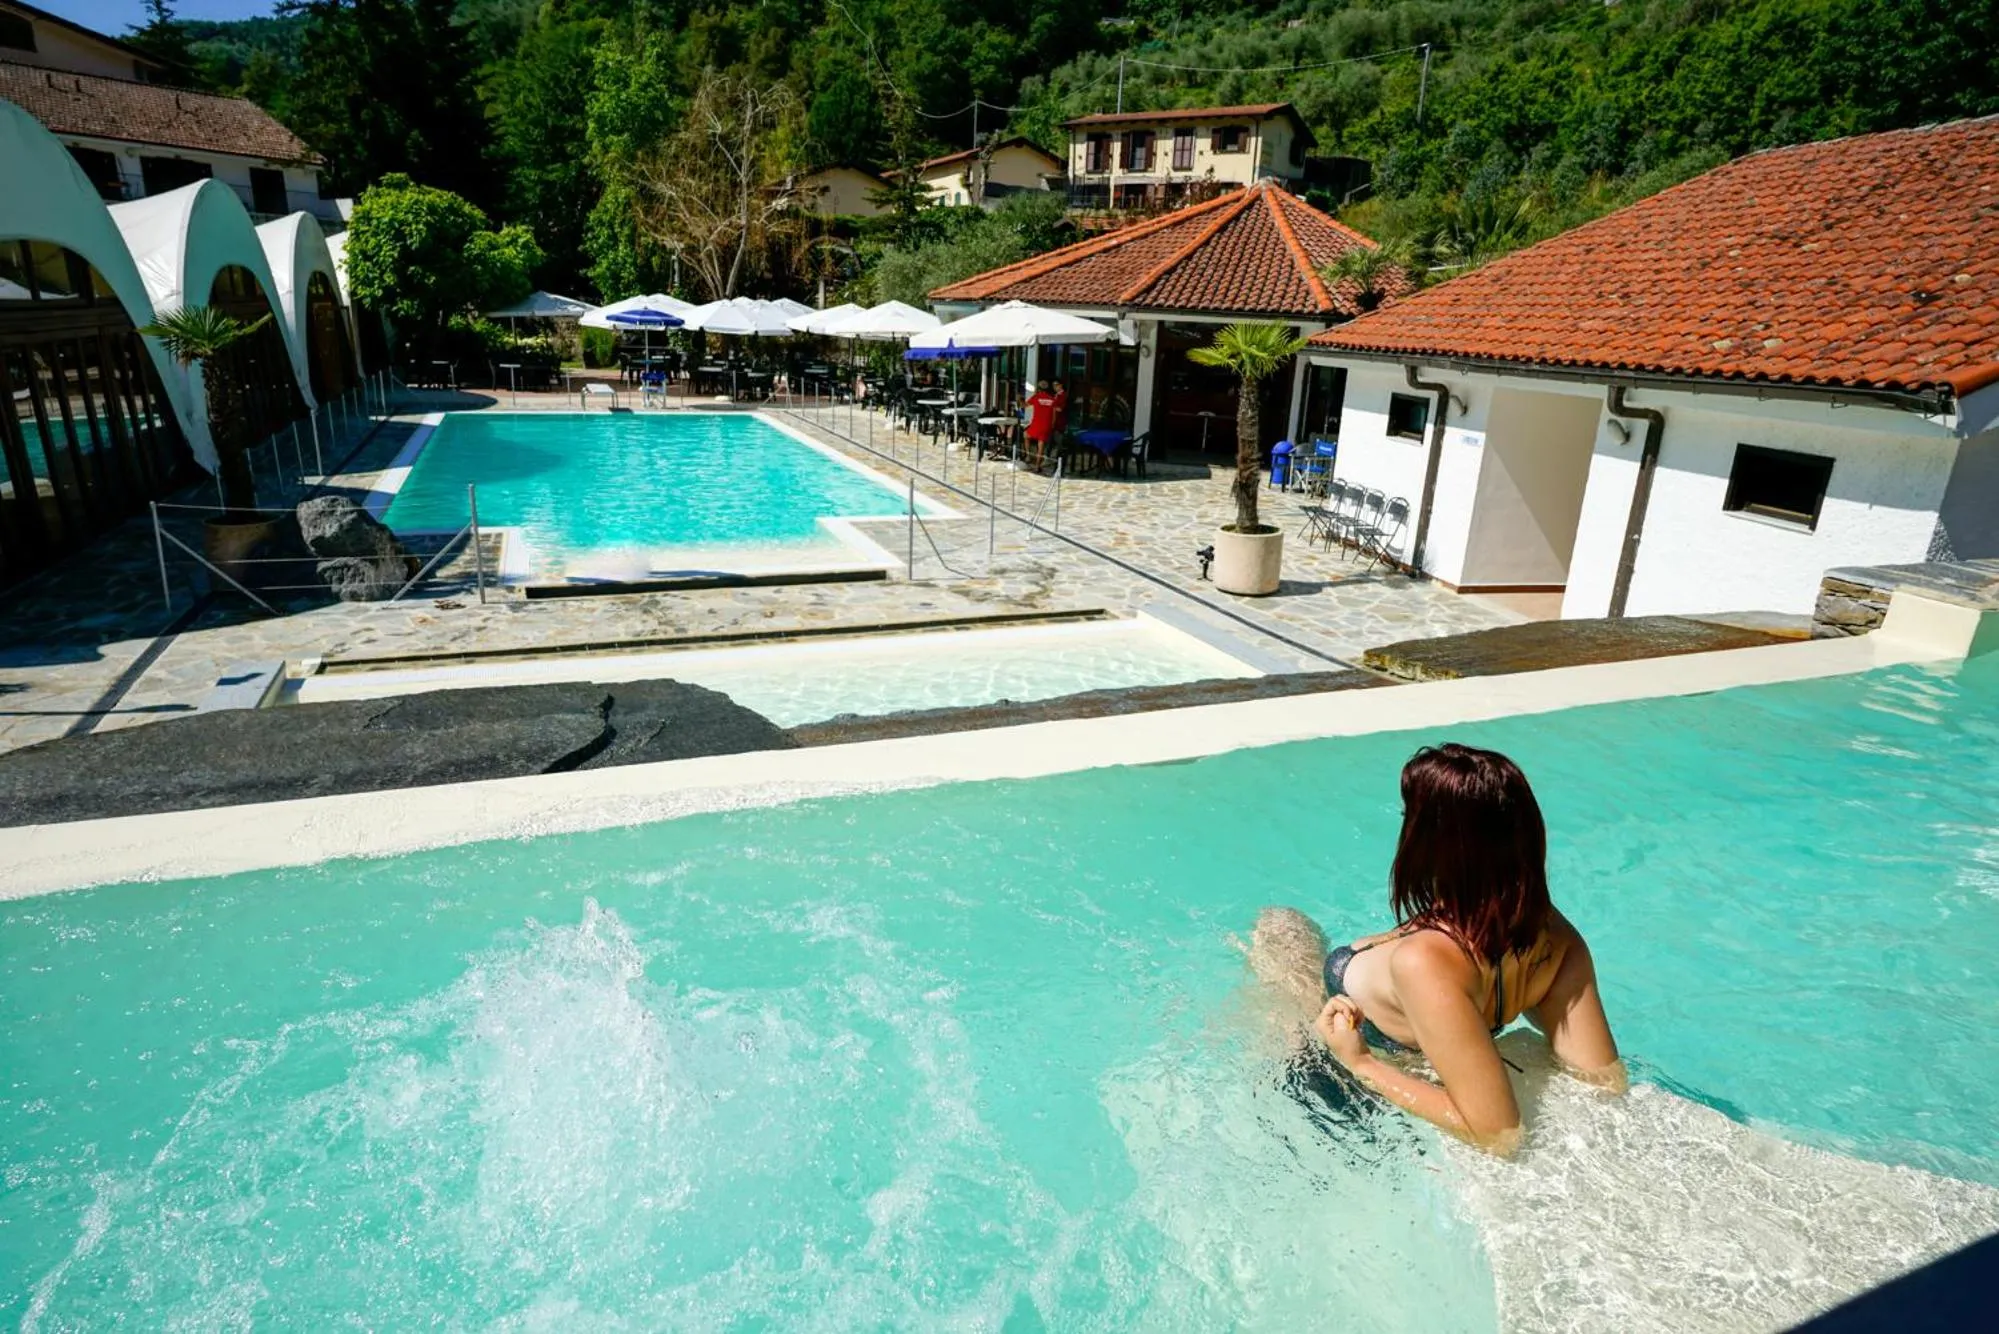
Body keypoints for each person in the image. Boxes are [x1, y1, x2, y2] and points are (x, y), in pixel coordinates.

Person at [1250, 744, 1626, 1156]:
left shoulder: (1425, 961)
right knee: (1284, 928)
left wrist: (1361, 1063)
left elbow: (1497, 1133)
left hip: (1343, 1073)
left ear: (1435, 844)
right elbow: (1601, 1078)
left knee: (1277, 928)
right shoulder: (1552, 932)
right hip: (1437, 1030)